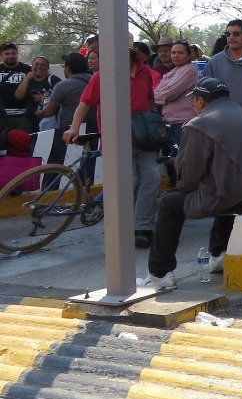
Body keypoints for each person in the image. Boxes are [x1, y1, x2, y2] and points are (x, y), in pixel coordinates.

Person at [140, 77, 242, 290]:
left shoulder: (199, 125)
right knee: (223, 186)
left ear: (200, 101)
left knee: (169, 204)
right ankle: (218, 254)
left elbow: (188, 177)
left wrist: (186, 188)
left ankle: (159, 274)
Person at [64, 46, 164, 248]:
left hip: (143, 133)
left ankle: (143, 227)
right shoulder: (102, 76)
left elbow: (149, 98)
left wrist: (153, 120)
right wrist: (73, 128)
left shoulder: (145, 72)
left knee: (151, 177)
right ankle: (127, 227)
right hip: (116, 133)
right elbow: (85, 102)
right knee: (129, 180)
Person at [38, 52, 92, 153]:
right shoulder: (95, 81)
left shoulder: (62, 85)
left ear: (68, 69)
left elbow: (48, 111)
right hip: (94, 128)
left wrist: (37, 113)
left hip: (70, 131)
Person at [153, 40, 199, 140]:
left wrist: (158, 96)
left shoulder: (190, 70)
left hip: (184, 121)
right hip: (170, 122)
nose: (176, 56)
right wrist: (160, 96)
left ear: (188, 55)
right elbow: (156, 92)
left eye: (180, 53)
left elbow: (169, 93)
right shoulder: (173, 72)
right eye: (173, 52)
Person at [14, 56, 60, 132]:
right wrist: (27, 78)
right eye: (36, 64)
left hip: (48, 122)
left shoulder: (53, 80)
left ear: (48, 68)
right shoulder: (28, 80)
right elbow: (18, 96)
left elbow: (60, 99)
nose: (39, 67)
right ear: (32, 66)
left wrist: (44, 99)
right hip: (29, 122)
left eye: (43, 65)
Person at [0, 42, 32, 129]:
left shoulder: (27, 69)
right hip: (2, 116)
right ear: (1, 55)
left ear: (17, 54)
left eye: (13, 53)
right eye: (7, 54)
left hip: (22, 116)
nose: (11, 56)